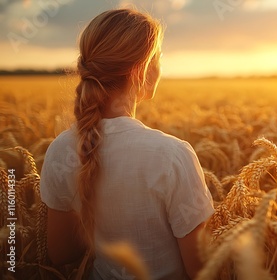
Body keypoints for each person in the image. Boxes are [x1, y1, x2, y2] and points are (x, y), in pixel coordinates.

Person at [40, 8, 214, 280]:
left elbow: (60, 253)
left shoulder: (60, 150)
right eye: (159, 56)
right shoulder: (173, 155)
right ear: (142, 69)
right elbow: (203, 273)